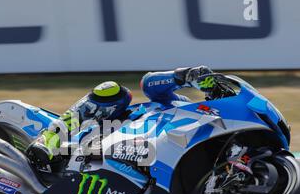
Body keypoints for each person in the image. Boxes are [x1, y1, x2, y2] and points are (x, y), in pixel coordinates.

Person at [28, 66, 221, 163]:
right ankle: (48, 140)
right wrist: (183, 76)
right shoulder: (185, 105)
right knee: (112, 90)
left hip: (141, 158)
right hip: (103, 139)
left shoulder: (211, 132)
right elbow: (148, 83)